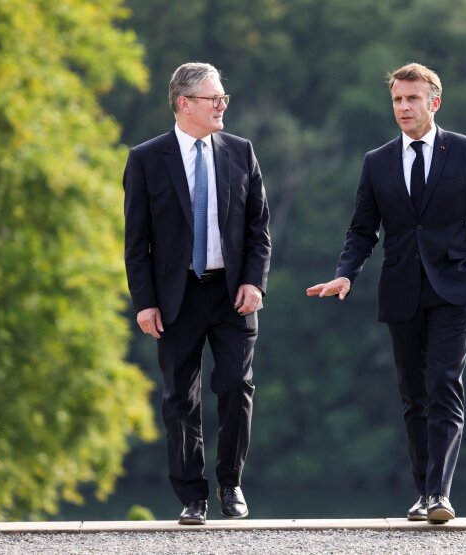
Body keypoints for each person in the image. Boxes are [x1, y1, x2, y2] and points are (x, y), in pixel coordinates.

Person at [306, 62, 466, 524]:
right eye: (397, 99)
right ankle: (423, 493)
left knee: (443, 384)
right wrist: (346, 273)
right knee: (414, 395)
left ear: (434, 102)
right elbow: (362, 229)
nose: (403, 107)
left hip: (456, 289)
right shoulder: (376, 161)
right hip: (400, 290)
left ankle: (440, 495)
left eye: (412, 98)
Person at [124, 62, 271, 525]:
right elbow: (136, 241)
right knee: (179, 399)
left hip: (232, 294)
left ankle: (231, 485)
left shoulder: (240, 151)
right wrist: (145, 301)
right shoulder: (147, 159)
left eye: (224, 97)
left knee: (236, 386)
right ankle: (193, 496)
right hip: (176, 297)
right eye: (215, 99)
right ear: (184, 104)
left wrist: (254, 280)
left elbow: (258, 228)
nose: (223, 104)